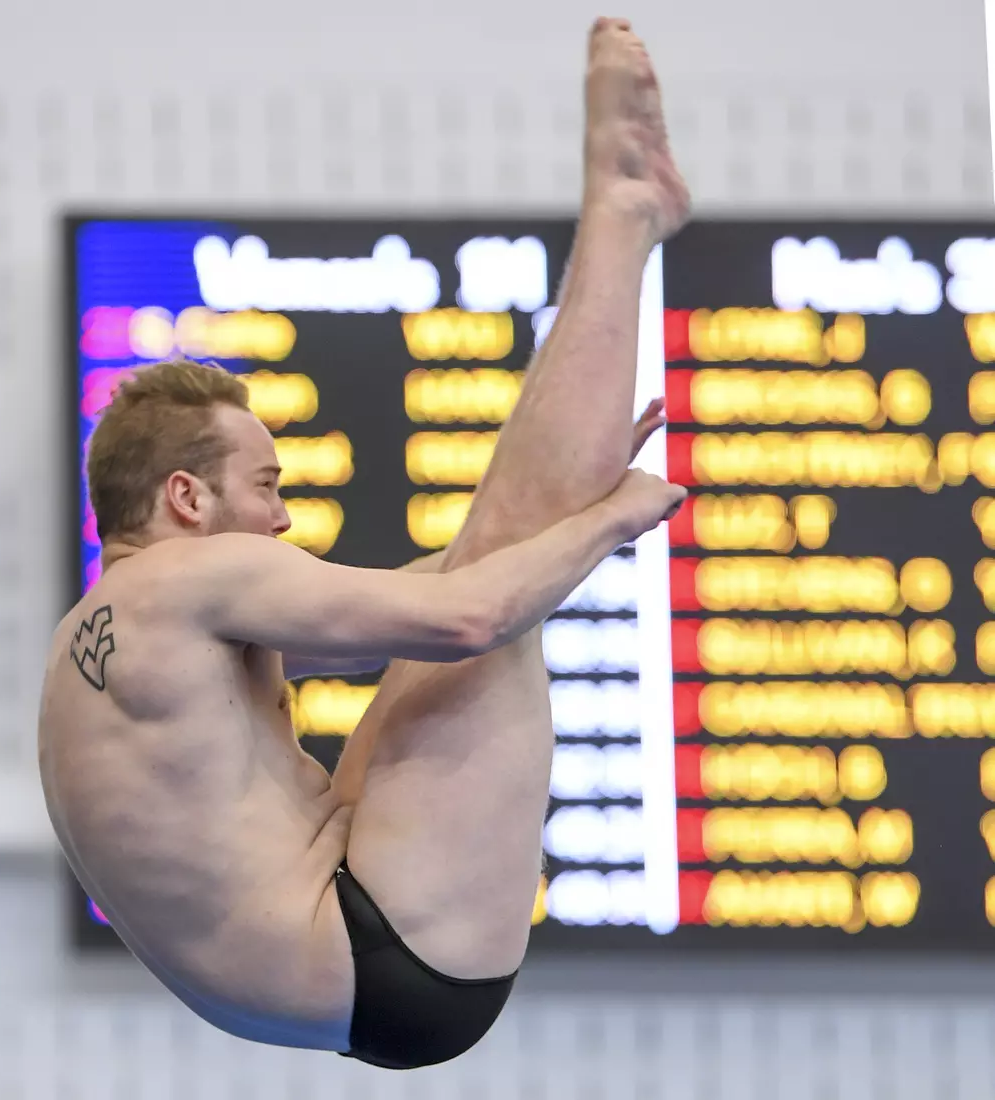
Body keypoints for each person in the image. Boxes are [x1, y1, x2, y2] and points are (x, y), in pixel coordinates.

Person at [39, 16, 690, 1071]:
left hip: (341, 958)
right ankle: (619, 215)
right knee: (499, 589)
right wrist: (607, 513)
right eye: (265, 486)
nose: (283, 519)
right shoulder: (194, 579)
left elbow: (437, 584)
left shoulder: (96, 646)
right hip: (379, 942)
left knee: (502, 543)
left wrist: (564, 494)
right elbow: (475, 611)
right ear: (184, 498)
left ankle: (621, 218)